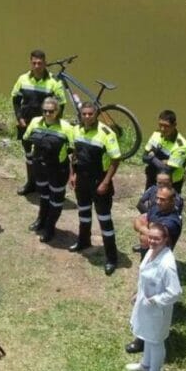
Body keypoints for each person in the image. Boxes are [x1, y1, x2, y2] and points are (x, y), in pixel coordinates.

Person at [126, 222, 182, 371]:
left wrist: (155, 300)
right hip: (146, 306)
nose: (152, 241)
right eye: (150, 237)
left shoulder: (167, 264)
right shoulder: (152, 251)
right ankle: (145, 365)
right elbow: (145, 276)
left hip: (157, 310)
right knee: (147, 336)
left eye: (157, 238)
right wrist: (139, 293)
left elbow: (175, 292)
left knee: (156, 342)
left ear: (165, 240)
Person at [68, 101, 122, 275]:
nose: (87, 116)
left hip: (99, 182)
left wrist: (106, 182)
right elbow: (73, 153)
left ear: (96, 114)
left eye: (90, 114)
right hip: (81, 180)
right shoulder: (76, 130)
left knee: (104, 220)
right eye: (84, 114)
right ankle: (84, 241)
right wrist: (72, 174)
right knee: (83, 213)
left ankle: (111, 257)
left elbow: (115, 159)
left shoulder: (106, 133)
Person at [10, 50, 66, 195]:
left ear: (45, 63)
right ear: (31, 62)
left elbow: (62, 104)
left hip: (46, 126)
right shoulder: (22, 79)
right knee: (29, 155)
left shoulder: (54, 82)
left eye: (40, 63)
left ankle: (45, 186)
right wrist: (19, 118)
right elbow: (16, 99)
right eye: (34, 63)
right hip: (26, 123)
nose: (37, 66)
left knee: (45, 156)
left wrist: (53, 123)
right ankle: (31, 184)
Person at [24, 97, 76, 242]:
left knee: (56, 200)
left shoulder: (66, 128)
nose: (47, 114)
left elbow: (74, 150)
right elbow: (27, 137)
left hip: (58, 169)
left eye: (51, 111)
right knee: (44, 195)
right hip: (39, 167)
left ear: (57, 111)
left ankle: (50, 227)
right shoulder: (35, 122)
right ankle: (41, 220)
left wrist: (73, 173)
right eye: (45, 111)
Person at [142, 110, 186, 193]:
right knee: (145, 205)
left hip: (170, 185)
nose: (162, 129)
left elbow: (167, 170)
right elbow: (144, 157)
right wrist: (164, 162)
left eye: (166, 126)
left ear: (174, 125)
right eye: (160, 125)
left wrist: (152, 157)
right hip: (152, 178)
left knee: (166, 206)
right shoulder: (156, 134)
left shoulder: (181, 146)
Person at [132, 184, 183, 251]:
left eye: (162, 199)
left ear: (172, 200)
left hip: (159, 255)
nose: (158, 202)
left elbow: (153, 236)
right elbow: (137, 221)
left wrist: (144, 227)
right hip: (149, 250)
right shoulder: (156, 208)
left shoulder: (172, 222)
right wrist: (144, 228)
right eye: (157, 198)